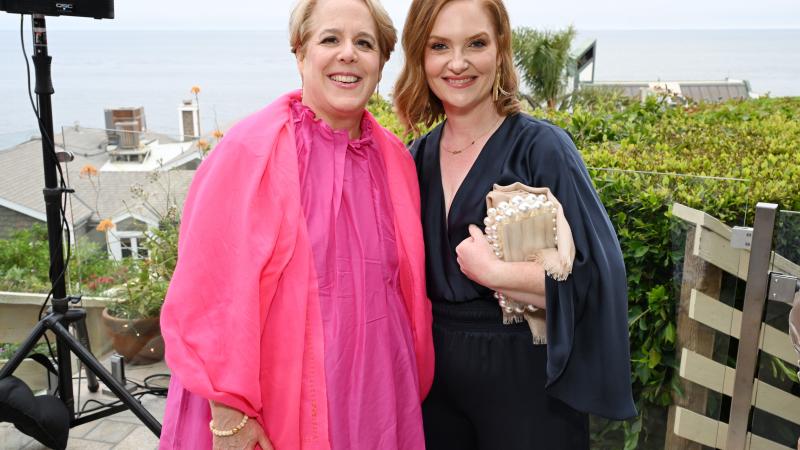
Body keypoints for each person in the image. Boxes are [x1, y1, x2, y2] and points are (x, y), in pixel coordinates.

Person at [158, 0, 434, 448]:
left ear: (382, 62)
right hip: (274, 407)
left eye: (364, 43)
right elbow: (209, 296)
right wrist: (229, 417)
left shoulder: (397, 162)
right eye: (330, 39)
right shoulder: (251, 151)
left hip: (372, 404)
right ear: (300, 54)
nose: (348, 54)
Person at [393, 0, 638, 448]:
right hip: (433, 387)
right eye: (439, 46)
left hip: (527, 384)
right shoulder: (413, 159)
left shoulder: (542, 149)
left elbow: (597, 276)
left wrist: (495, 274)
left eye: (477, 43)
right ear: (420, 57)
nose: (458, 62)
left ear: (500, 49)